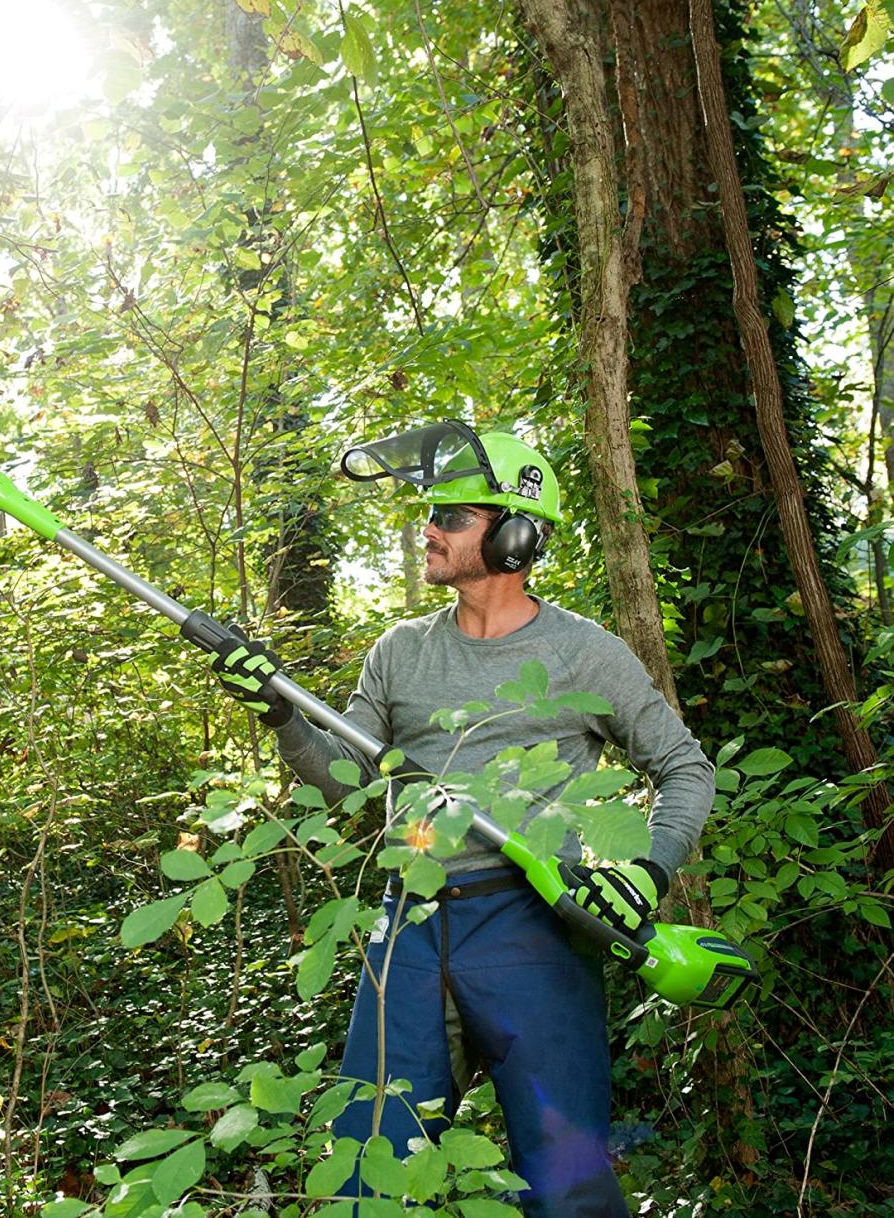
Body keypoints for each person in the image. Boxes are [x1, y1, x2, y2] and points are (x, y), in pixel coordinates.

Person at [209, 424, 714, 1217]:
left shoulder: (585, 652)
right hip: (407, 918)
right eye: (430, 513)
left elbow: (685, 766)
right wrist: (280, 715)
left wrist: (648, 868)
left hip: (536, 925)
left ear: (513, 537)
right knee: (370, 1159)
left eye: (452, 515)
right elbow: (347, 787)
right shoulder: (400, 652)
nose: (429, 527)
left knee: (566, 1175)